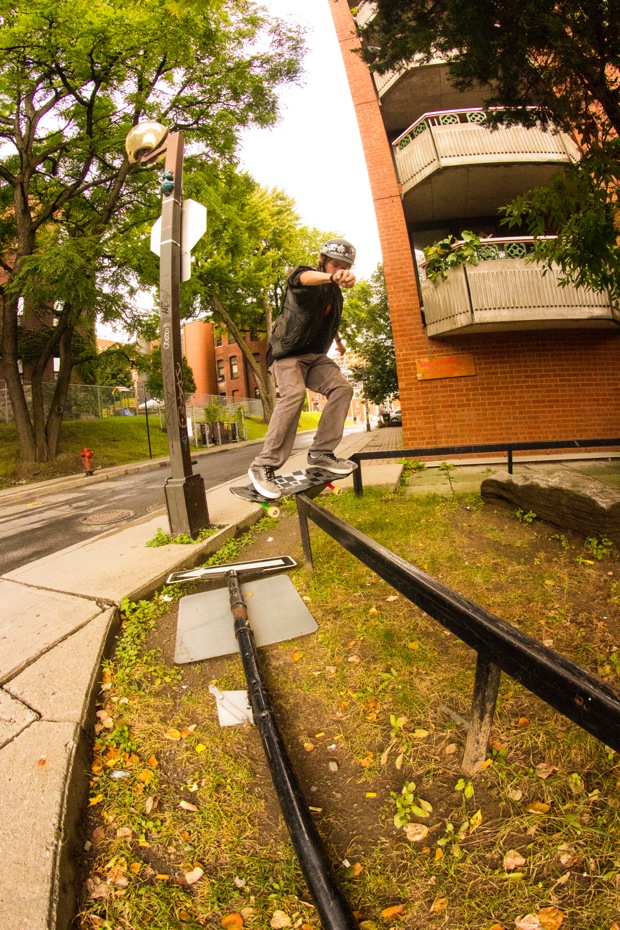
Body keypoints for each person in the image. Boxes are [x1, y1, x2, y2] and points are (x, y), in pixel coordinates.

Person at [248, 238, 357, 500]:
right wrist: (330, 277)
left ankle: (320, 453)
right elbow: (303, 278)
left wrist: (340, 344)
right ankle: (264, 465)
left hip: (314, 357)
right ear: (323, 261)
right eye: (334, 265)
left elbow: (327, 319)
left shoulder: (335, 294)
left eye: (344, 267)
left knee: (343, 388)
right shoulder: (305, 277)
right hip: (287, 353)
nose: (337, 270)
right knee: (294, 395)